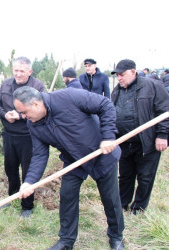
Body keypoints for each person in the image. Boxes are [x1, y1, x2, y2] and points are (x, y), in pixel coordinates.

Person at [15, 86, 124, 250]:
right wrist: (29, 181)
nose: (23, 117)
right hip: (73, 161)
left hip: (102, 154)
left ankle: (116, 237)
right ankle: (66, 240)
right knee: (67, 196)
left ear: (36, 104)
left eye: (24, 112)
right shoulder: (33, 125)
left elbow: (105, 105)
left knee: (110, 198)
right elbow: (39, 155)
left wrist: (108, 136)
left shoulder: (69, 97)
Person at [111, 59, 169, 214]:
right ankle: (122, 204)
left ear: (132, 71)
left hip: (146, 143)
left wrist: (163, 135)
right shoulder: (117, 91)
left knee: (145, 178)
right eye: (117, 75)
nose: (119, 78)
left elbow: (165, 111)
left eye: (122, 74)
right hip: (124, 143)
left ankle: (138, 208)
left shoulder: (152, 87)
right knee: (125, 176)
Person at [0, 56, 45, 218]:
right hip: (9, 136)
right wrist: (4, 114)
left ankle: (27, 206)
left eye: (22, 71)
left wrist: (21, 116)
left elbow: (43, 109)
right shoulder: (6, 84)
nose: (18, 74)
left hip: (29, 136)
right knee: (10, 169)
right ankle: (13, 196)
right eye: (16, 70)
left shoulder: (37, 86)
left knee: (28, 172)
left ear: (30, 71)